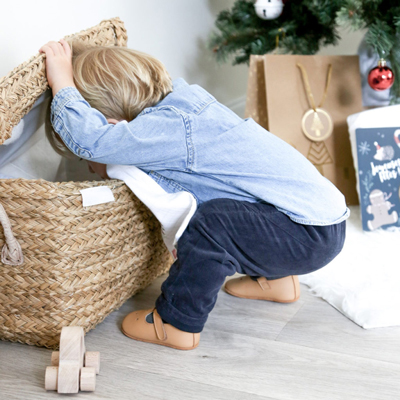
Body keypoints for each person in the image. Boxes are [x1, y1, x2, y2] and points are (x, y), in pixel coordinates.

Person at [39, 39, 347, 351]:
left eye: (84, 163)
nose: (89, 168)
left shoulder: (164, 130)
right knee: (235, 207)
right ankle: (277, 280)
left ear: (117, 127)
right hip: (318, 221)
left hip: (305, 235)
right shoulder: (186, 105)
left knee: (209, 226)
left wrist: (62, 82)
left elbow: (92, 140)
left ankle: (176, 323)